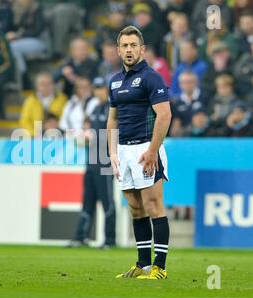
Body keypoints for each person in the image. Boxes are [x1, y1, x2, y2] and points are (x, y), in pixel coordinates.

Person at [108, 26, 172, 280]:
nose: (129, 50)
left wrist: (152, 150)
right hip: (123, 151)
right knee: (135, 207)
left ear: (142, 49)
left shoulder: (151, 77)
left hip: (146, 147)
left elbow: (164, 114)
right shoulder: (114, 81)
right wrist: (112, 153)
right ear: (118, 50)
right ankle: (143, 265)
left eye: (133, 45)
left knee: (153, 204)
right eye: (124, 45)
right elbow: (112, 118)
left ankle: (160, 267)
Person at [68, 77, 116, 250]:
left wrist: (96, 137)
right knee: (87, 201)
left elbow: (115, 134)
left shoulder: (112, 108)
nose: (99, 92)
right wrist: (84, 138)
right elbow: (91, 132)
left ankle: (110, 240)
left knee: (107, 202)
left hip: (105, 163)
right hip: (91, 162)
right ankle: (80, 237)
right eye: (96, 89)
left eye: (101, 88)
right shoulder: (95, 108)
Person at [19, 72, 67, 137]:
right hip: (35, 137)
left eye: (49, 84)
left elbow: (65, 118)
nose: (46, 87)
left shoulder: (62, 99)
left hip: (57, 136)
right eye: (43, 84)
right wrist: (35, 134)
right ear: (37, 86)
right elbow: (24, 121)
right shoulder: (30, 101)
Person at [170, 71, 206, 137]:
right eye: (184, 82)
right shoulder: (177, 102)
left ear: (196, 82)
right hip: (185, 138)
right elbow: (175, 126)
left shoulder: (205, 97)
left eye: (190, 82)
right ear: (180, 84)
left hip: (204, 137)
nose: (187, 85)